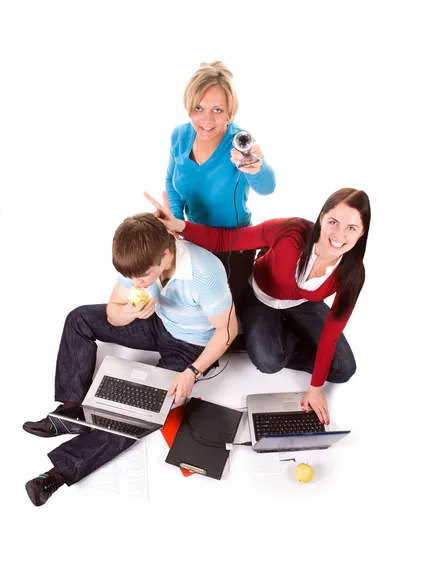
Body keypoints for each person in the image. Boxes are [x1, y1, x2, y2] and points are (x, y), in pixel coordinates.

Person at [22, 213, 237, 506]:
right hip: (155, 322)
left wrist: (192, 371)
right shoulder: (137, 257)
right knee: (79, 319)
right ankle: (71, 412)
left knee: (142, 410)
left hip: (191, 347)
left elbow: (228, 331)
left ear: (165, 253)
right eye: (131, 277)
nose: (136, 282)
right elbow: (114, 310)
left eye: (141, 277)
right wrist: (130, 314)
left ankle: (58, 474)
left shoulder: (204, 272)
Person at [146, 188, 371, 426]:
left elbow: (331, 333)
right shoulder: (292, 232)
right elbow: (226, 240)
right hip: (260, 295)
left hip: (303, 303)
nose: (339, 234)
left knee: (344, 369)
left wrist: (316, 387)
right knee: (268, 361)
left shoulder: (353, 273)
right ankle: (273, 340)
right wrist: (180, 226)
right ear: (322, 217)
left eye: (351, 228)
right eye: (333, 222)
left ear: (362, 232)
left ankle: (280, 337)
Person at [165, 60, 276, 304]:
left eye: (217, 110)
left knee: (221, 315)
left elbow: (267, 187)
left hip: (233, 246)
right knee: (186, 306)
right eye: (198, 108)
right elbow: (172, 184)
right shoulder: (180, 135)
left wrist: (256, 168)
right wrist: (175, 224)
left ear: (230, 112)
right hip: (194, 239)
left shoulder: (238, 142)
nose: (206, 120)